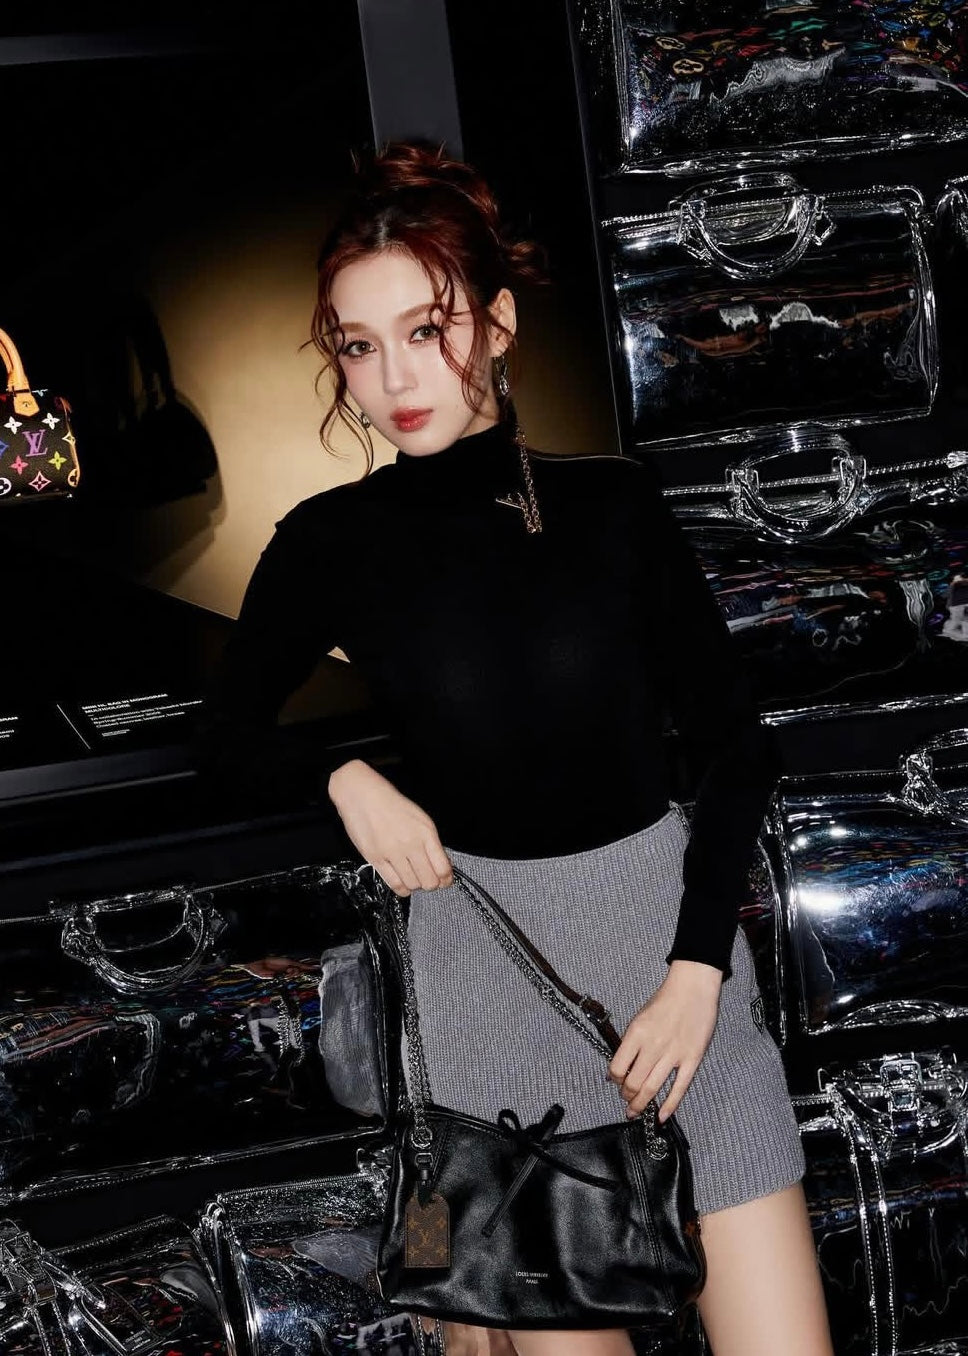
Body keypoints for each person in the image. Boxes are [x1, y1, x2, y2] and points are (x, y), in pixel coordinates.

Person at [196, 141, 835, 1356]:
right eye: (358, 345)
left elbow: (736, 751)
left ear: (494, 324)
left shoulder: (613, 506)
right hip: (490, 992)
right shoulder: (330, 542)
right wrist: (341, 777)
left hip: (674, 975)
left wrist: (696, 972)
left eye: (425, 329)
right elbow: (220, 738)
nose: (394, 376)